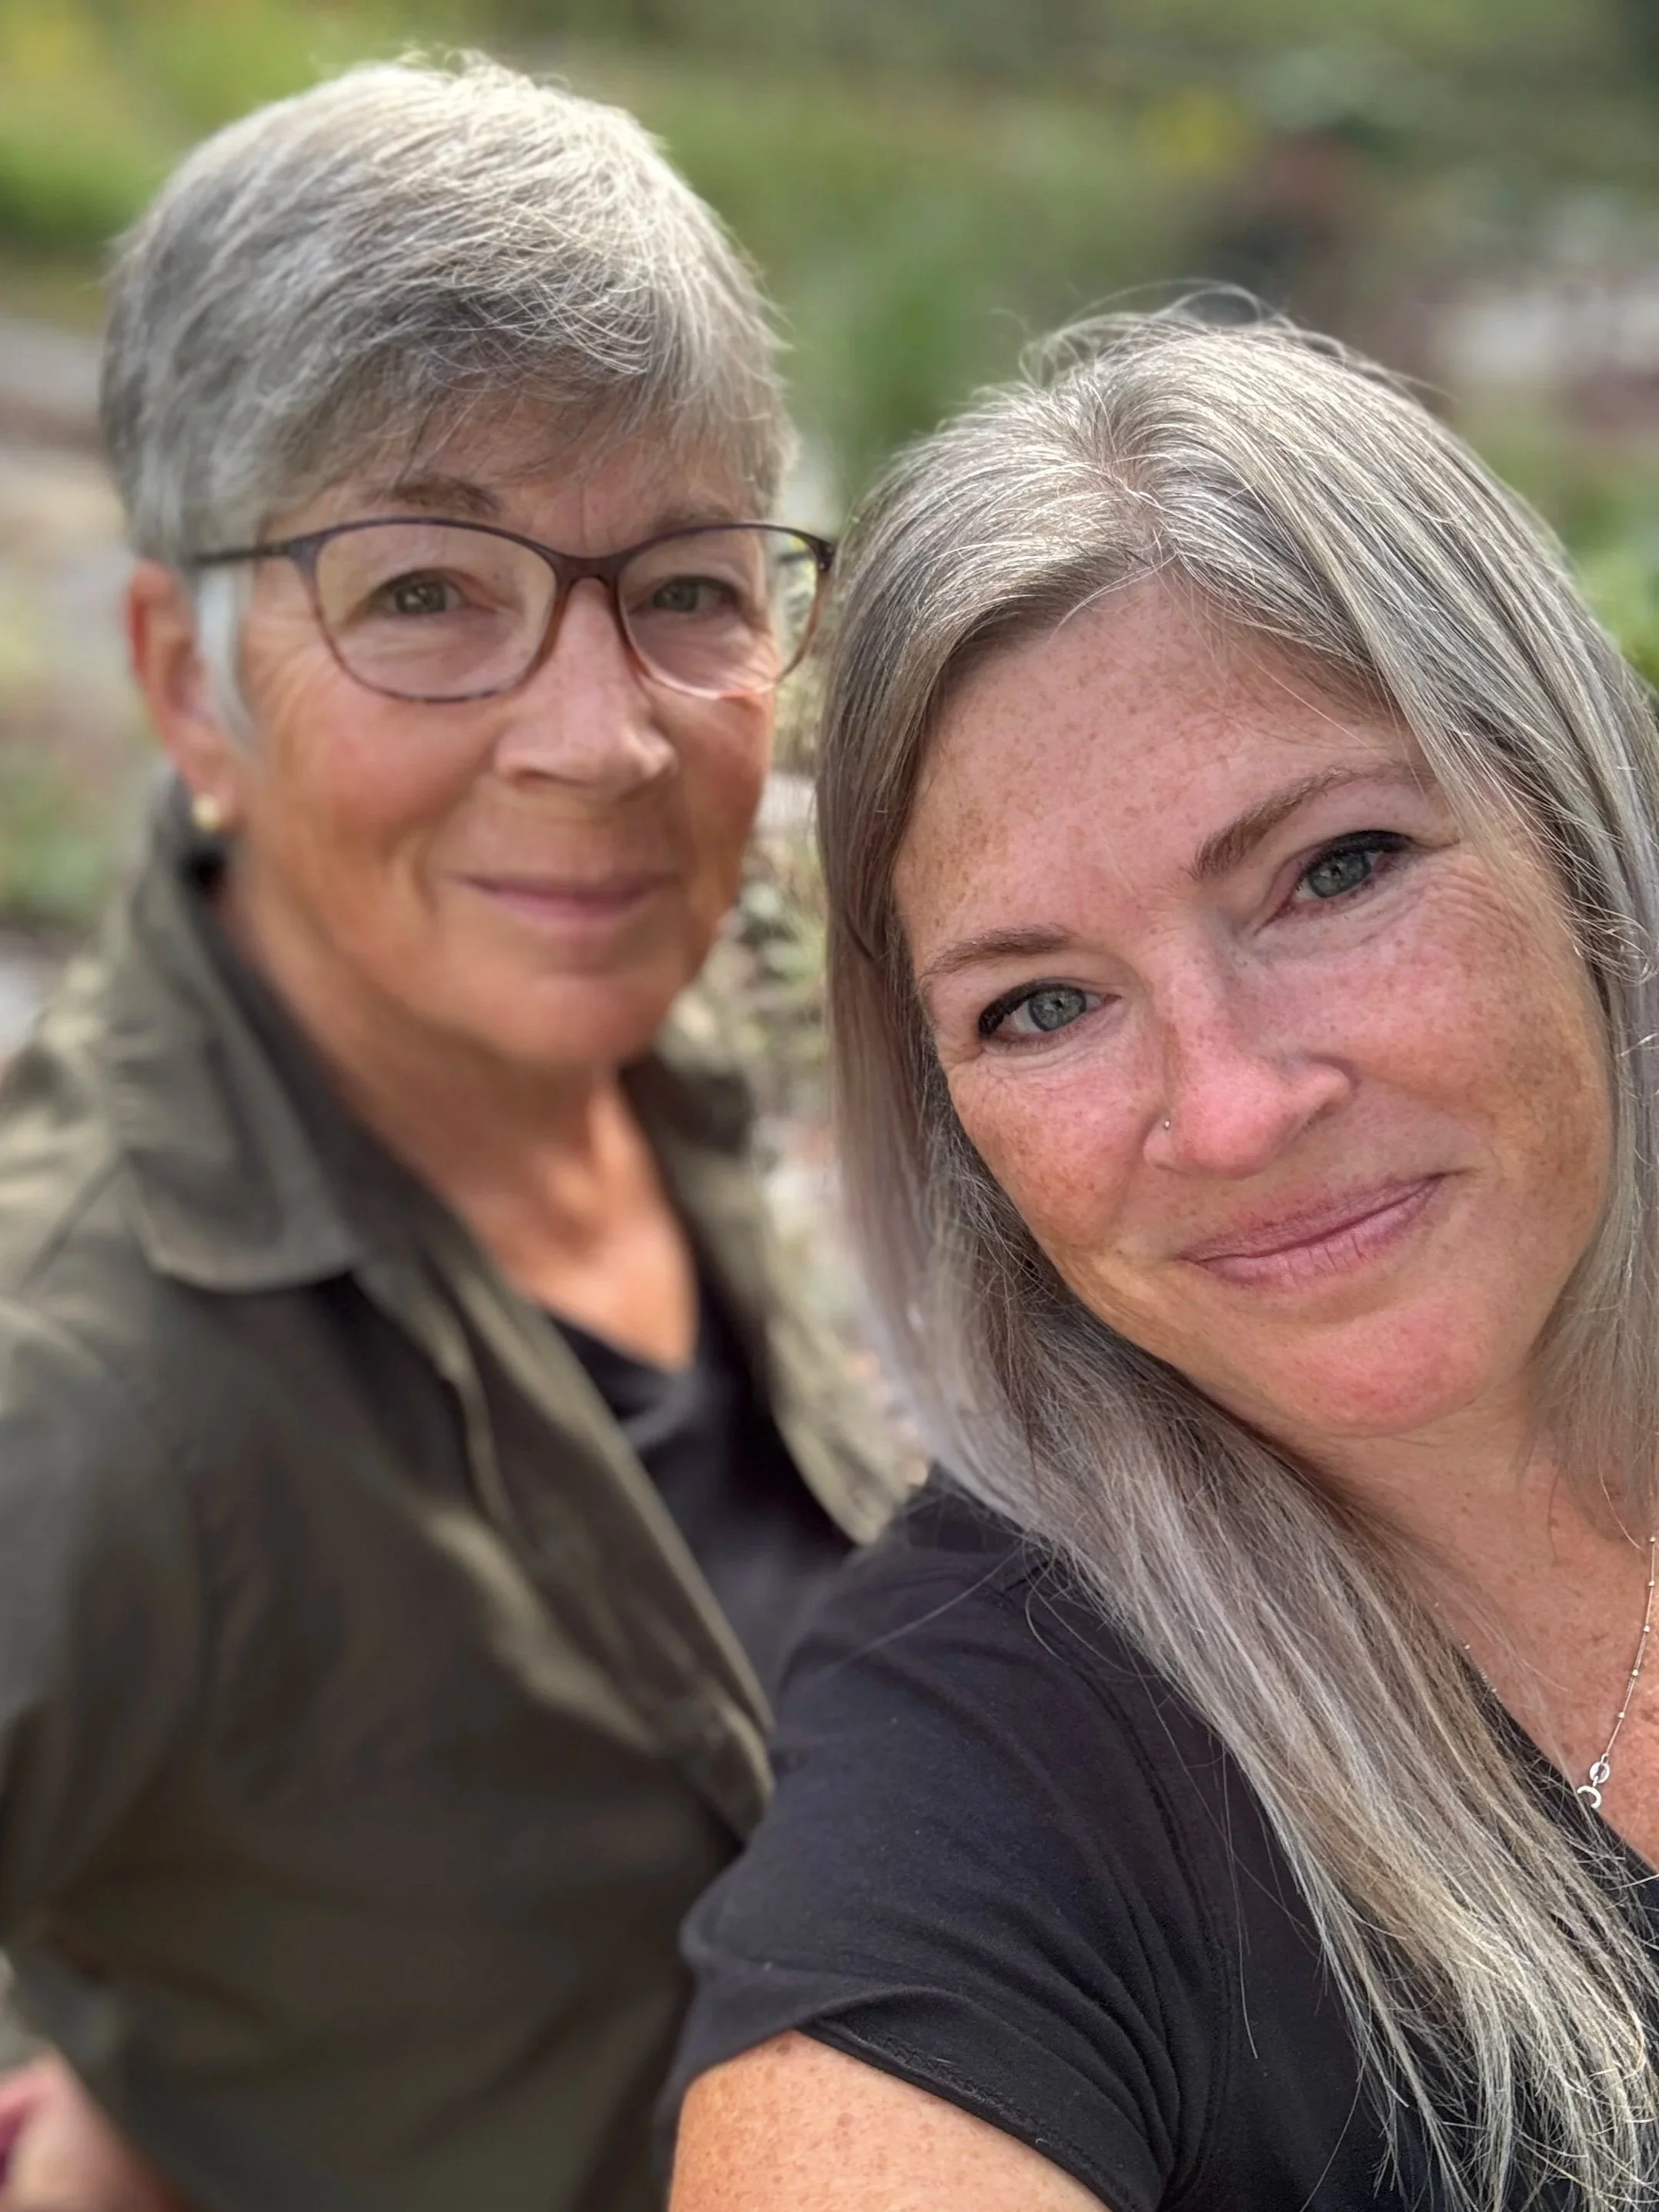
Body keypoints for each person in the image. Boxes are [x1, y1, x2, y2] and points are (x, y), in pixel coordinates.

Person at [0, 56, 899, 2212]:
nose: (602, 740)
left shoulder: (681, 1040)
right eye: (424, 591)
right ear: (190, 683)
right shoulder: (87, 1384)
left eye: (687, 586)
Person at [667, 311, 1659, 2212]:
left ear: (1579, 836)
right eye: (1042, 1003)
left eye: (1334, 871)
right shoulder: (984, 1774)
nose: (1228, 1111)